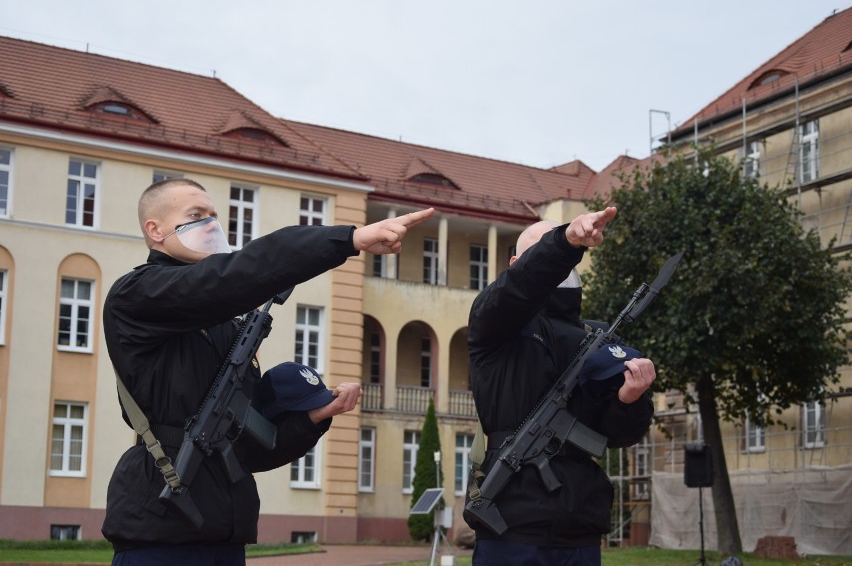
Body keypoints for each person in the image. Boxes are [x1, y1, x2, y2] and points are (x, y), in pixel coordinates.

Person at [102, 177, 433, 565]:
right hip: (158, 531)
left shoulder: (225, 325)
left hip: (225, 534)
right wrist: (348, 240)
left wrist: (311, 420)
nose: (210, 225)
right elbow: (228, 279)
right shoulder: (136, 294)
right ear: (154, 230)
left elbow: (251, 447)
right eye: (196, 216)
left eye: (213, 216)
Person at [464, 208, 656, 566]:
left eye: (568, 246)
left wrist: (630, 401)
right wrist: (564, 241)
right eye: (545, 249)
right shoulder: (495, 322)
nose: (559, 254)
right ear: (517, 262)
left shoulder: (592, 338)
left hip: (580, 526)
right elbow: (520, 288)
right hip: (512, 526)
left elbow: (614, 434)